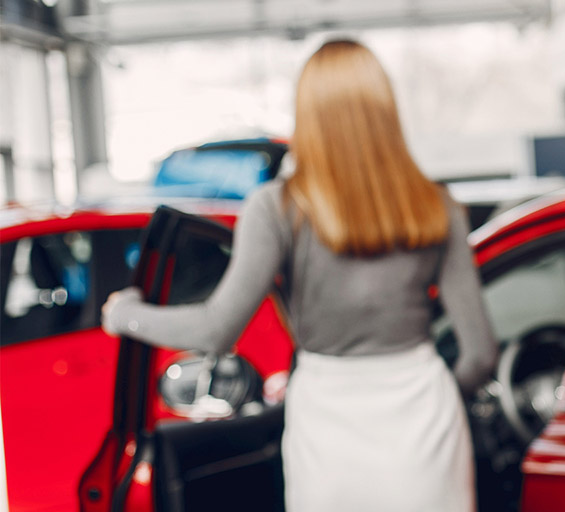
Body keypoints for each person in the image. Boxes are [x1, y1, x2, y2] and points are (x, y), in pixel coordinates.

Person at [101, 40, 497, 512]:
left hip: (327, 420)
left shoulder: (276, 208)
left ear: (308, 115)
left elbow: (215, 329)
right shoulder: (438, 206)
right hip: (424, 416)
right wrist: (437, 396)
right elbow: (480, 354)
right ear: (385, 110)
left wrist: (125, 314)